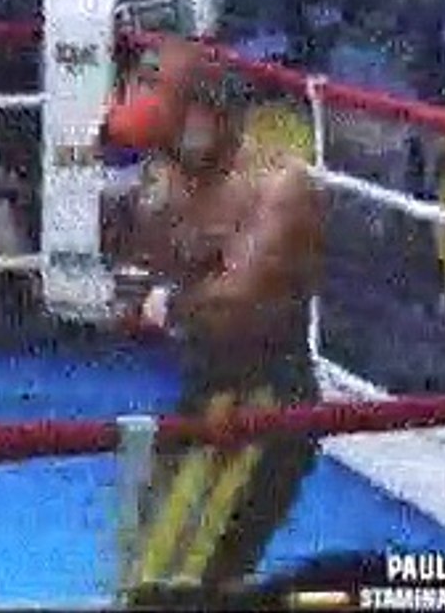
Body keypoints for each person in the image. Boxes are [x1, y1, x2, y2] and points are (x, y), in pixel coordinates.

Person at [99, 36, 325, 607]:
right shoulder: (166, 175)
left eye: (164, 98)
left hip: (267, 401)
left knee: (185, 581)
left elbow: (237, 299)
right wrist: (117, 183)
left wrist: (160, 303)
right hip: (201, 392)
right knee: (145, 571)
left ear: (208, 113)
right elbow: (130, 272)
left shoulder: (279, 184)